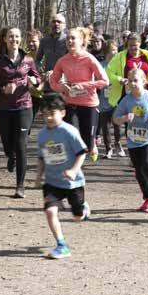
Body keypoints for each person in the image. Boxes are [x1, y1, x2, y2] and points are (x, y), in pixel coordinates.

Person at [0, 27, 41, 198]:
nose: (14, 39)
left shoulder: (28, 60)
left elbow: (38, 79)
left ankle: (20, 186)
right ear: (4, 39)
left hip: (24, 107)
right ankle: (10, 156)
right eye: (11, 36)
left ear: (20, 39)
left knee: (21, 145)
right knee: (8, 146)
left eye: (17, 36)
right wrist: (3, 89)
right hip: (3, 109)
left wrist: (35, 80)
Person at [35, 94, 90, 259]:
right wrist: (39, 176)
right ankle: (61, 245)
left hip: (73, 183)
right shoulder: (42, 135)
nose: (49, 117)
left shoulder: (69, 131)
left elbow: (82, 153)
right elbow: (41, 157)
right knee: (50, 211)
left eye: (52, 113)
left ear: (63, 113)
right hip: (52, 182)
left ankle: (83, 209)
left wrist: (73, 170)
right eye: (45, 114)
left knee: (77, 216)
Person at [50, 27, 110, 163]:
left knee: (87, 144)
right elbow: (53, 82)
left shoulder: (89, 59)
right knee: (72, 136)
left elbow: (104, 81)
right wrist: (62, 87)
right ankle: (74, 168)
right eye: (67, 39)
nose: (69, 41)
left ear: (82, 41)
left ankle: (92, 144)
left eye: (73, 38)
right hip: (70, 103)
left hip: (89, 104)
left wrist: (84, 85)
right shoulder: (62, 61)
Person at [113, 69, 148, 212]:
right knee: (138, 170)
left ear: (144, 82)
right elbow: (115, 119)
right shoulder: (126, 100)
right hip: (134, 140)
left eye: (135, 80)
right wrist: (125, 118)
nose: (132, 83)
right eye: (130, 80)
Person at [105, 32, 148, 108]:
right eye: (130, 45)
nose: (133, 48)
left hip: (145, 96)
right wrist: (119, 80)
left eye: (135, 45)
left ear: (140, 44)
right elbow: (108, 72)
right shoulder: (120, 57)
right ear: (127, 44)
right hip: (125, 97)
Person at [98, 40, 126, 159]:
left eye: (115, 50)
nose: (114, 52)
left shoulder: (120, 64)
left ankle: (118, 144)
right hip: (103, 100)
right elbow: (96, 80)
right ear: (106, 52)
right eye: (111, 50)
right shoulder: (100, 65)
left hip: (117, 99)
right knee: (105, 126)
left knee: (117, 125)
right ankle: (108, 148)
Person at [36, 14, 68, 93]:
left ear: (64, 25)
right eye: (54, 22)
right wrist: (40, 69)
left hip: (64, 83)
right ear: (50, 24)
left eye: (59, 22)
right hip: (48, 83)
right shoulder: (44, 41)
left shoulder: (68, 41)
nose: (56, 24)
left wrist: (56, 72)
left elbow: (73, 62)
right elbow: (37, 60)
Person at [26, 29, 44, 128]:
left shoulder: (46, 55)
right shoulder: (26, 57)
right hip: (33, 94)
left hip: (46, 94)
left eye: (34, 41)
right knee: (27, 122)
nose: (31, 43)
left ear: (40, 42)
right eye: (29, 41)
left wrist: (41, 86)